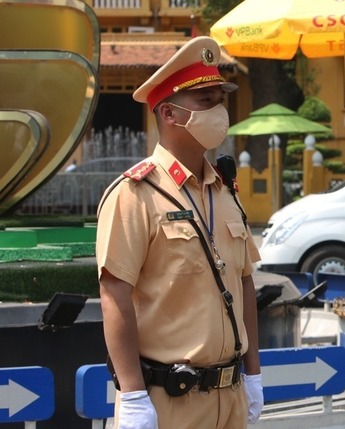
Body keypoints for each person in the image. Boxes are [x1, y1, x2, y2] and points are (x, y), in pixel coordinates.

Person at [96, 36, 263, 429]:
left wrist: (253, 374)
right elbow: (114, 293)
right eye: (206, 101)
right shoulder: (135, 193)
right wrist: (134, 395)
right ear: (169, 114)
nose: (219, 110)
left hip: (231, 394)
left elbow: (245, 283)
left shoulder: (224, 191)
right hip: (169, 399)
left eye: (219, 98)